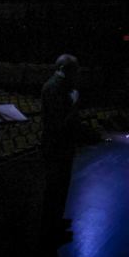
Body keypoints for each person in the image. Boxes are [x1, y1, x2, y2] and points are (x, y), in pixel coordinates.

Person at [40, 54, 81, 246]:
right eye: (74, 70)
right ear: (65, 69)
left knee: (60, 186)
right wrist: (74, 103)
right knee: (55, 187)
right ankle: (51, 228)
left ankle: (56, 220)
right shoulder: (55, 87)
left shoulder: (59, 86)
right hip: (57, 144)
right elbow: (59, 121)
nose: (77, 74)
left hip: (60, 144)